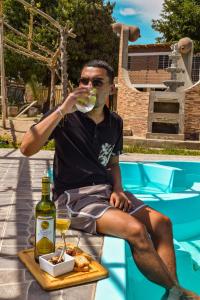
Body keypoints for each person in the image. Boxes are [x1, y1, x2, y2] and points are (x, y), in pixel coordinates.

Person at [20, 60, 199, 300]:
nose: (88, 86)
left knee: (163, 223)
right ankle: (179, 293)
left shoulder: (115, 122)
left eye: (96, 82)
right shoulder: (64, 116)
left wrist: (118, 189)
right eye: (83, 81)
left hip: (106, 192)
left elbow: (113, 162)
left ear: (111, 89)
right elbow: (26, 148)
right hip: (74, 198)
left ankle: (171, 290)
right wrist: (63, 108)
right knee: (136, 231)